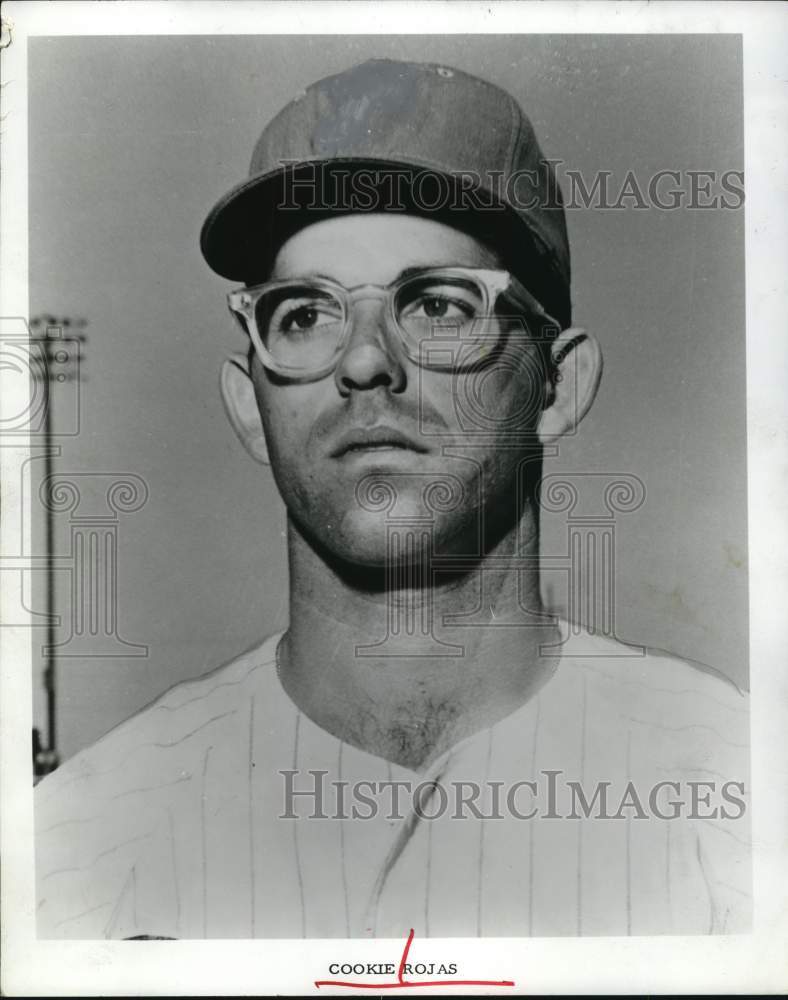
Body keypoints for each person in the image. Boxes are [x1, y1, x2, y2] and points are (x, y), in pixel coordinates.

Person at [36, 58, 750, 940]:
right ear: (249, 407)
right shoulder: (78, 842)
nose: (365, 361)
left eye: (440, 306)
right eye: (304, 314)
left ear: (557, 389)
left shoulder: (738, 794)